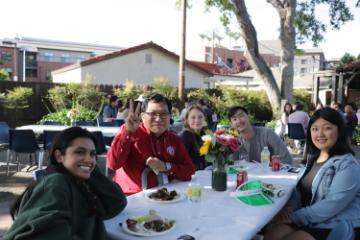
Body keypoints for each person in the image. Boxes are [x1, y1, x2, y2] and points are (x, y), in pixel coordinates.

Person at [4, 127, 127, 240]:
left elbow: (116, 203)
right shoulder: (55, 184)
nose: (89, 159)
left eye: (92, 154)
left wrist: (87, 168)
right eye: (79, 152)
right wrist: (84, 165)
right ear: (59, 156)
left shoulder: (81, 182)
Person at [264, 107, 360, 240]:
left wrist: (295, 217)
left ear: (339, 131)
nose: (320, 134)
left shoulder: (348, 164)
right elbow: (300, 190)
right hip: (309, 216)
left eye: (327, 128)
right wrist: (290, 208)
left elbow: (333, 204)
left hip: (335, 222)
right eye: (315, 129)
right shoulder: (313, 158)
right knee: (271, 234)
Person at [107, 93, 196, 195]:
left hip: (164, 195)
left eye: (163, 114)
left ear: (170, 116)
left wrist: (166, 166)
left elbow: (190, 171)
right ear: (143, 116)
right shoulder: (129, 132)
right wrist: (127, 133)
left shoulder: (174, 139)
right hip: (132, 196)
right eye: (153, 114)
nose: (158, 119)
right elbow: (113, 164)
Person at [228, 106, 293, 165]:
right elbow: (232, 164)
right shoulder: (233, 141)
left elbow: (286, 158)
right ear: (231, 124)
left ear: (249, 116)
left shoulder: (267, 134)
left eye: (241, 116)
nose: (239, 121)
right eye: (234, 119)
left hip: (271, 174)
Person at [178, 105, 208, 170]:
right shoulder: (185, 136)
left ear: (204, 118)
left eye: (200, 117)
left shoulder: (204, 135)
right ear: (187, 120)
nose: (197, 120)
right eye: (193, 117)